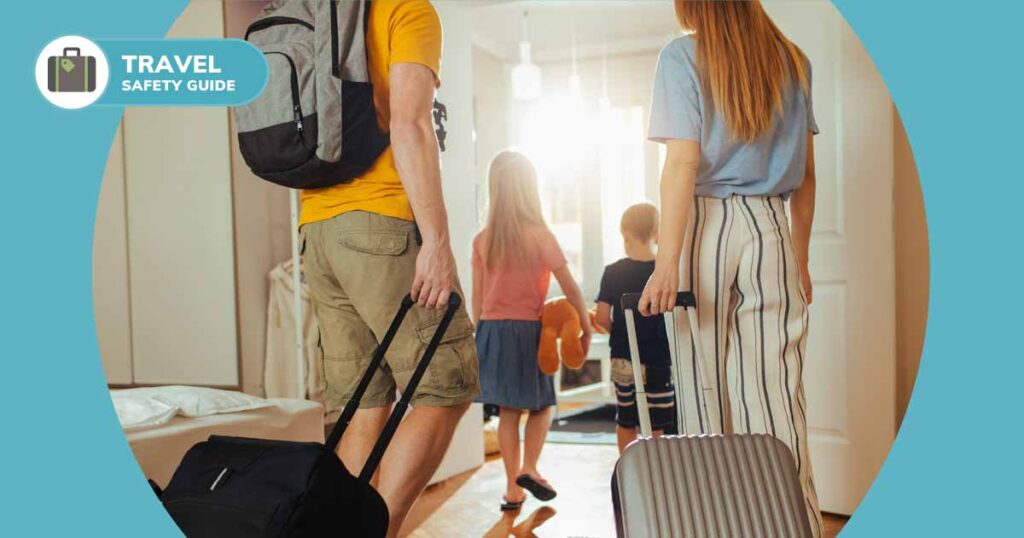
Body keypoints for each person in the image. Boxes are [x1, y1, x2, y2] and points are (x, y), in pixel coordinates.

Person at [638, 1, 824, 535]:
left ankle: (718, 526)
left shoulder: (681, 57)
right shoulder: (794, 61)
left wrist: (667, 262)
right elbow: (807, 174)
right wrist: (800, 257)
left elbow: (683, 162)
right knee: (776, 398)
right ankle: (794, 526)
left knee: (705, 400)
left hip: (705, 227)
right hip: (772, 228)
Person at [298, 2, 478, 536]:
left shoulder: (318, 11)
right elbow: (411, 124)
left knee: (363, 402)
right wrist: (437, 241)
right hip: (381, 223)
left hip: (317, 227)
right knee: (448, 383)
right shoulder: (407, 9)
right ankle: (378, 530)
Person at [471, 150, 593, 511]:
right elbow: (571, 289)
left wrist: (480, 341)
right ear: (530, 189)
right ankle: (530, 467)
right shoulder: (541, 237)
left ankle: (513, 490)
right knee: (542, 405)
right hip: (529, 332)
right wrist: (585, 324)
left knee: (508, 412)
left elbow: (477, 302)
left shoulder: (482, 240)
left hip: (492, 332)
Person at [594, 203, 677, 454]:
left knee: (626, 418)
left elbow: (601, 318)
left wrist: (618, 332)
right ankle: (654, 466)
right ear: (657, 234)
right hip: (657, 358)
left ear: (625, 234)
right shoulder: (663, 273)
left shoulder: (612, 272)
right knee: (656, 423)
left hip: (623, 357)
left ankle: (628, 466)